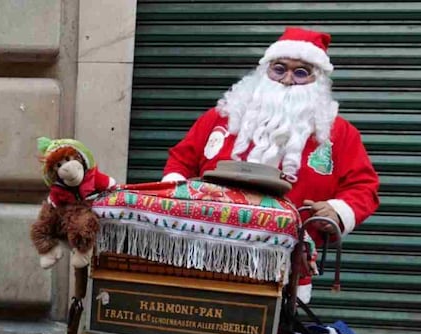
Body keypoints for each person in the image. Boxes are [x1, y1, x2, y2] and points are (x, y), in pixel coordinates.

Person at [162, 27, 380, 301]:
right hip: (205, 253)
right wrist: (173, 198)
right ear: (264, 72)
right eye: (279, 69)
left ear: (317, 81)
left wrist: (338, 211)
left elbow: (364, 187)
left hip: (285, 268)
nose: (288, 79)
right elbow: (181, 160)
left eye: (301, 72)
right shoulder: (221, 118)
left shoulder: (340, 134)